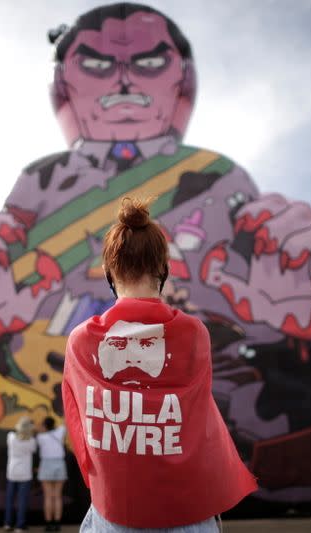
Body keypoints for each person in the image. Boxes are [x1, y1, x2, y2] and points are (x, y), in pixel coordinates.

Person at [63, 197, 258, 531]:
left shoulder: (81, 341)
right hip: (190, 510)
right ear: (163, 269)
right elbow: (198, 417)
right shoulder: (194, 333)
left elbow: (81, 425)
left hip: (116, 510)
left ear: (110, 272)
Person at [4, 417, 37, 532]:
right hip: (25, 474)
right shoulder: (32, 441)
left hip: (12, 472)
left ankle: (8, 524)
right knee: (22, 501)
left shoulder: (11, 437)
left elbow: (14, 432)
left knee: (9, 499)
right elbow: (34, 450)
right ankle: (20, 525)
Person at [35, 417, 67, 531]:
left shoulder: (40, 437)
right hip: (59, 463)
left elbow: (37, 430)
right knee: (58, 496)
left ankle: (48, 524)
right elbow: (66, 420)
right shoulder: (60, 431)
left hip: (46, 464)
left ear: (44, 425)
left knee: (48, 497)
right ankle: (57, 523)